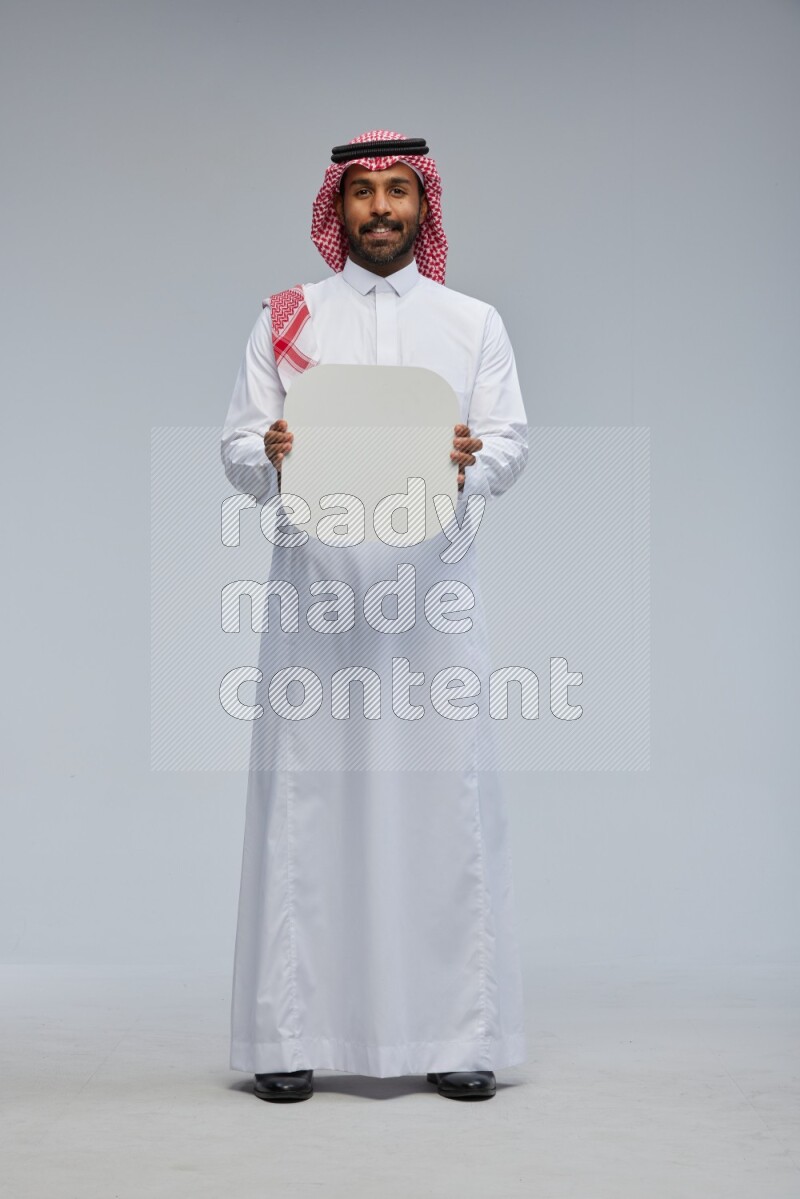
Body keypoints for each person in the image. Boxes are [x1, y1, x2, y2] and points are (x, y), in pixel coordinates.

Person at [220, 130, 529, 1103]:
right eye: (364, 194)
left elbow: (510, 444)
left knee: (440, 804)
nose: (382, 209)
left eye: (399, 191)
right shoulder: (285, 320)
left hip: (429, 603)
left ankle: (455, 1033)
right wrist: (267, 447)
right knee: (310, 807)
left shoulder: (471, 321)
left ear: (423, 207)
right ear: (337, 208)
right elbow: (234, 445)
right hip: (314, 603)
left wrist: (467, 459)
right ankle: (289, 1031)